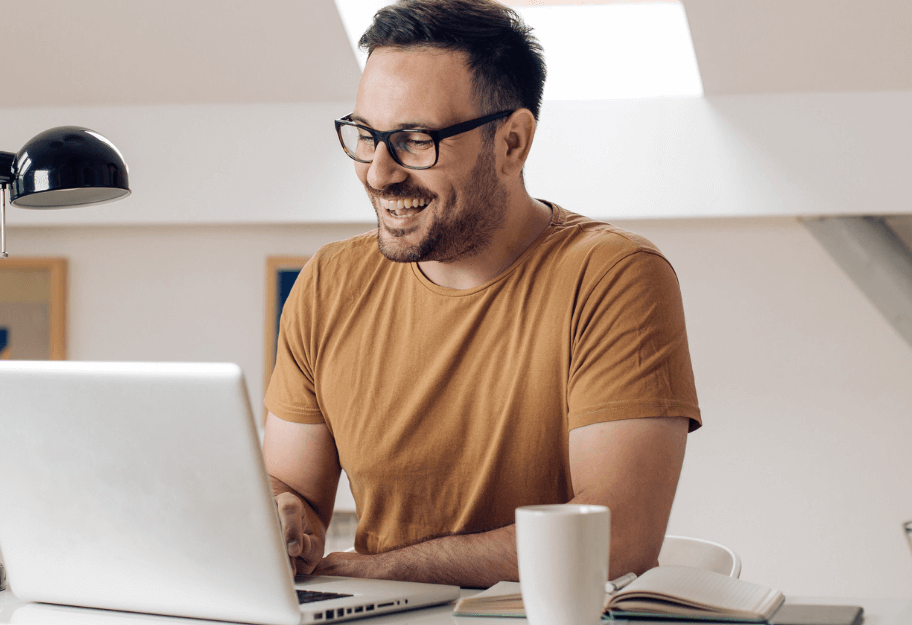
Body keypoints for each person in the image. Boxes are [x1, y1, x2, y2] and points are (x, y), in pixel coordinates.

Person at [262, 0, 700, 589]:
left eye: (416, 140)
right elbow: (290, 490)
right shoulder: (328, 282)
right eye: (366, 135)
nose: (378, 172)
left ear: (513, 143)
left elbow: (619, 537)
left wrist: (379, 570)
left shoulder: (614, 276)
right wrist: (281, 514)